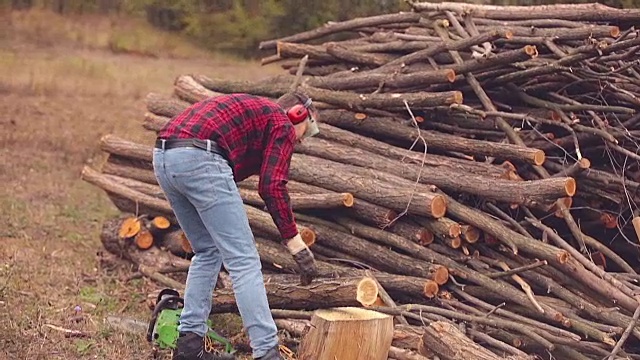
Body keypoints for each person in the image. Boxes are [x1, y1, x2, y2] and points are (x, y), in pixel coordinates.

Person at [152, 90, 320, 360]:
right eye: (308, 128)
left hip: (163, 156)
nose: (302, 139)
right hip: (200, 156)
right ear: (298, 115)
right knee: (244, 261)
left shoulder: (259, 118)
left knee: (207, 252)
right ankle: (267, 352)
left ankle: (188, 348)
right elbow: (272, 186)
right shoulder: (282, 123)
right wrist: (295, 242)